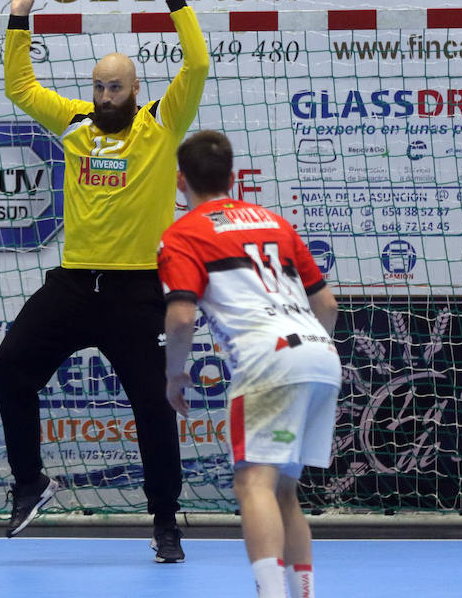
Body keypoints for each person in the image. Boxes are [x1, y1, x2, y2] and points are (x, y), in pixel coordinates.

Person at [0, 0, 209, 562]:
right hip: (71, 285)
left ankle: (165, 521)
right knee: (10, 366)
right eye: (98, 88)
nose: (105, 97)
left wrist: (175, 1)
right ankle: (30, 481)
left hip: (136, 292)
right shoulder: (76, 125)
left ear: (135, 88)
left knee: (153, 408)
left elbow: (198, 65)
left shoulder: (160, 125)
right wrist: (19, 17)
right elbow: (20, 85)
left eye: (115, 87)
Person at [157, 130, 341, 597]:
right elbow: (330, 306)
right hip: (320, 355)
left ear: (181, 181)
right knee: (283, 490)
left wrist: (174, 374)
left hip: (267, 360)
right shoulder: (275, 223)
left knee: (252, 482)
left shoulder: (183, 234)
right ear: (233, 177)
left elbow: (180, 317)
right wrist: (311, 353)